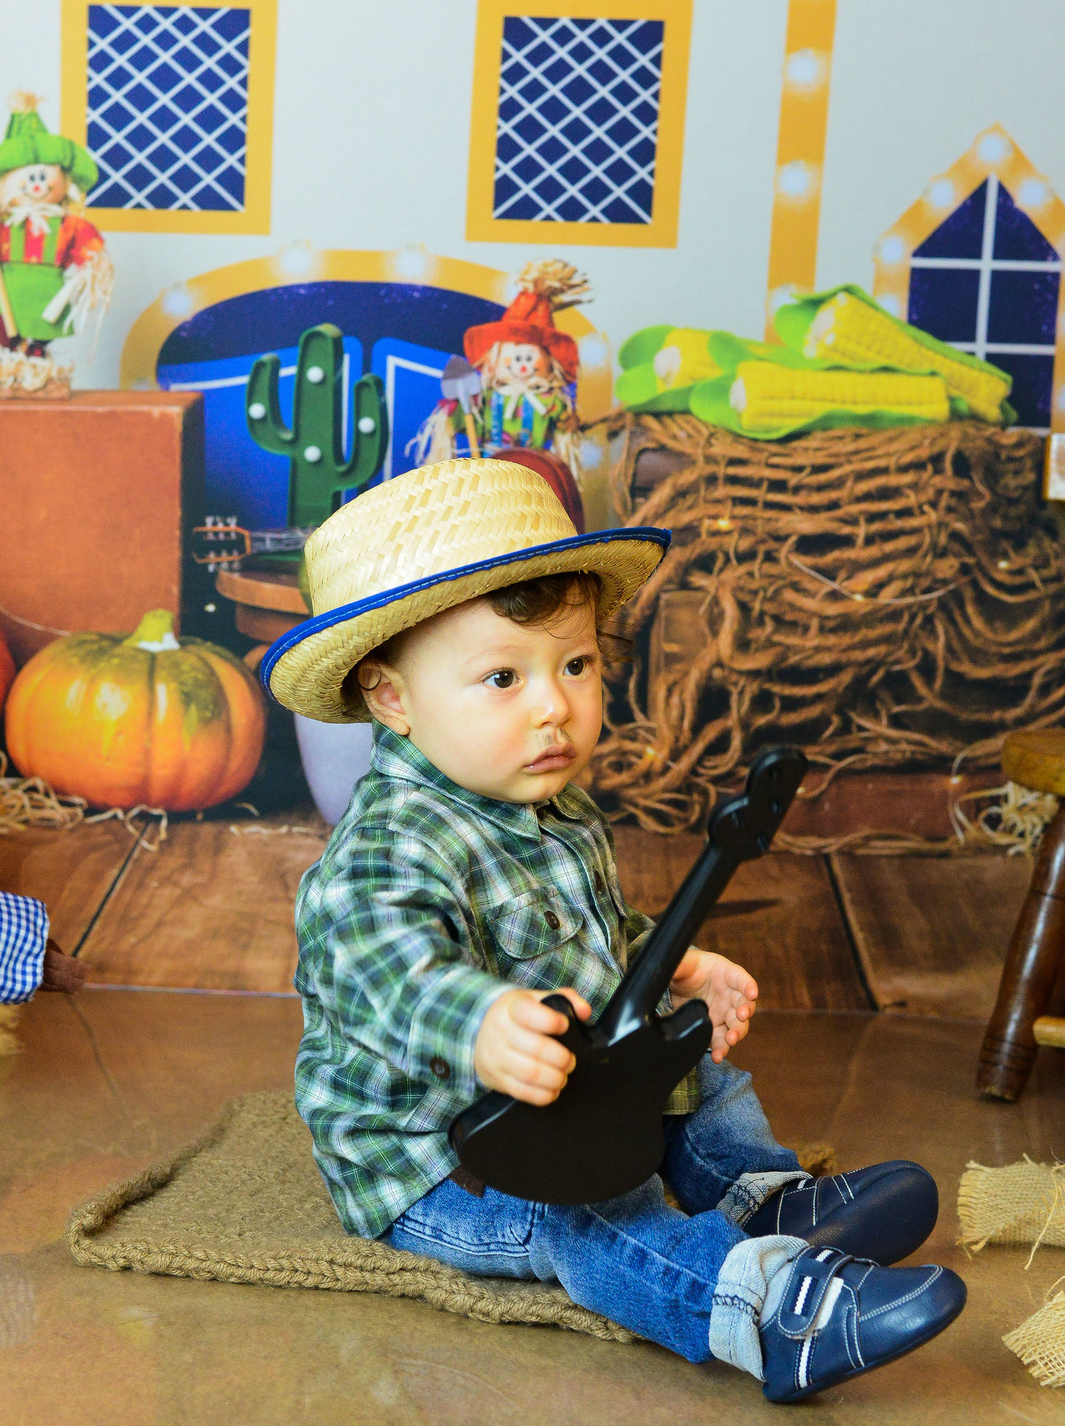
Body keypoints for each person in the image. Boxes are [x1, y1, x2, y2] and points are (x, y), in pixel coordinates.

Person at [264, 459, 966, 1402]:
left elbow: (588, 936)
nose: (555, 705)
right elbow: (388, 974)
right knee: (590, 1208)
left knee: (694, 1071)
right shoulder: (386, 847)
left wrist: (674, 967)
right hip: (445, 1158)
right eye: (503, 677)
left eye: (577, 665)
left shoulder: (555, 804)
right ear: (392, 699)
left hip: (562, 1088)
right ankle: (761, 1308)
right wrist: (480, 1024)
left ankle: (767, 1200)